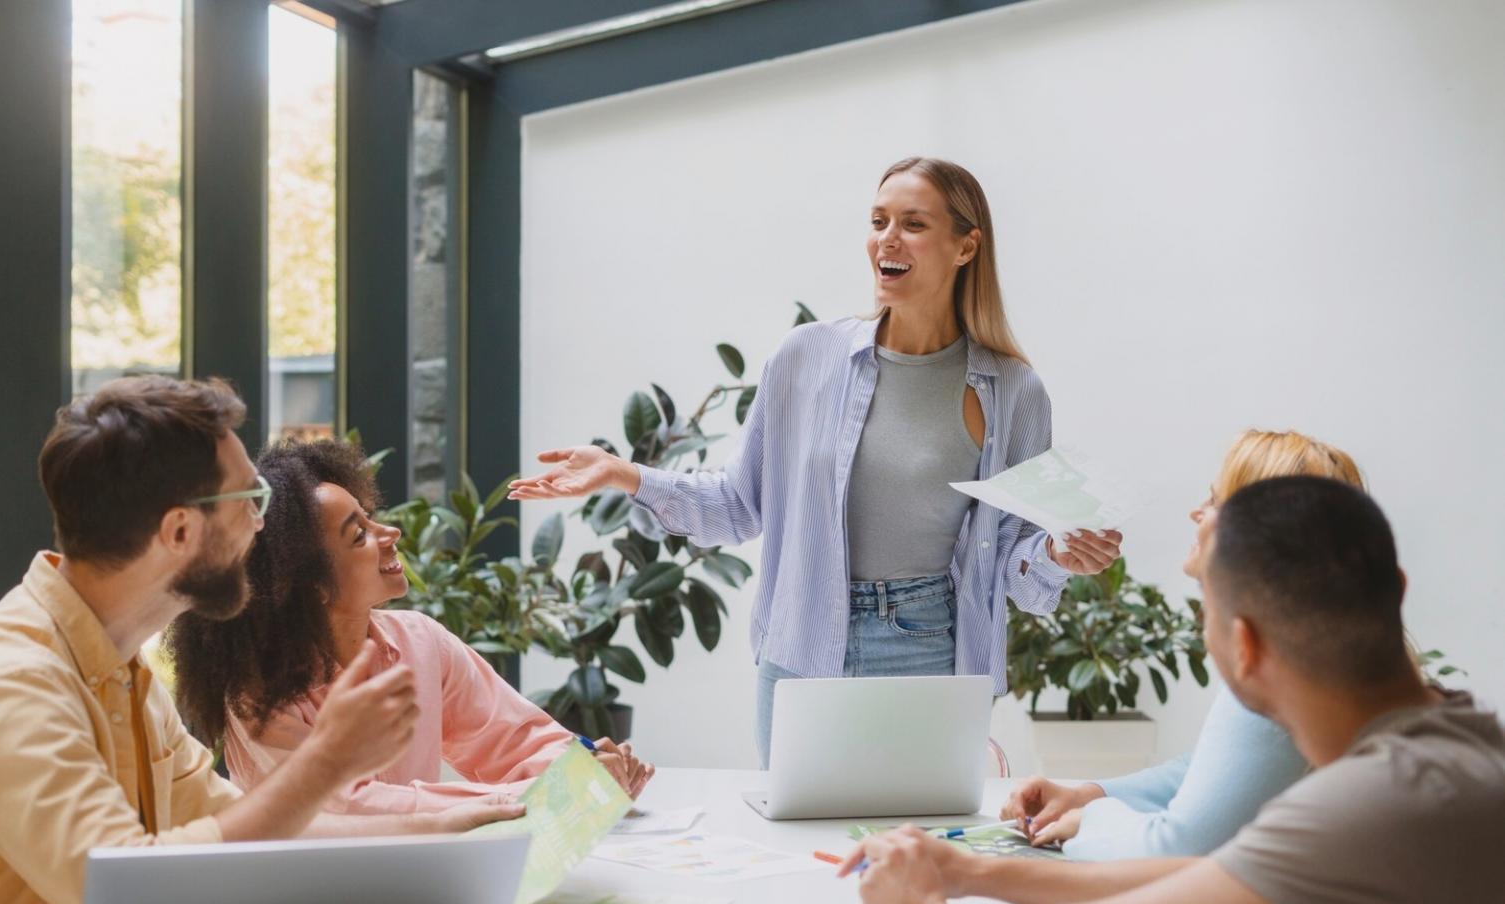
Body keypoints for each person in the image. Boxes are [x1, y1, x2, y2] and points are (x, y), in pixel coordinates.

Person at [510, 156, 1122, 766]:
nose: (887, 238)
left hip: (930, 646)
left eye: (912, 224)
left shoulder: (1013, 391)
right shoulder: (806, 359)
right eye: (878, 220)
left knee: (920, 844)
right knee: (800, 842)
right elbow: (737, 505)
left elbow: (1014, 563)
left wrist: (1056, 554)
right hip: (801, 641)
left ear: (966, 247)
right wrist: (626, 474)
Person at [844, 476, 1505, 904]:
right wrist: (968, 872)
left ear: (1243, 646)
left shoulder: (1374, 803)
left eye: (1205, 611)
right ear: (1396, 586)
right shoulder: (1454, 740)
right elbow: (1199, 881)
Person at [0, 378, 521, 904]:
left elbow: (241, 825)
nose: (260, 525)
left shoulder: (124, 675)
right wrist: (327, 762)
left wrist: (458, 827)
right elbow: (122, 886)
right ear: (178, 533)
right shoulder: (10, 685)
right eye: (249, 497)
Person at [169, 438, 654, 813]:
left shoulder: (420, 640)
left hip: (419, 881)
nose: (390, 534)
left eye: (372, 517)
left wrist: (587, 768)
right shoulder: (258, 692)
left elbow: (513, 738)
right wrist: (538, 795)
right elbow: (352, 810)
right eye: (360, 534)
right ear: (311, 584)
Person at [1001, 430, 1364, 858]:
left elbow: (1177, 846)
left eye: (1214, 501)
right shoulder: (1316, 650)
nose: (1197, 512)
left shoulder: (1283, 669)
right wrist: (1088, 795)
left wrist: (1091, 822)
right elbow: (1210, 772)